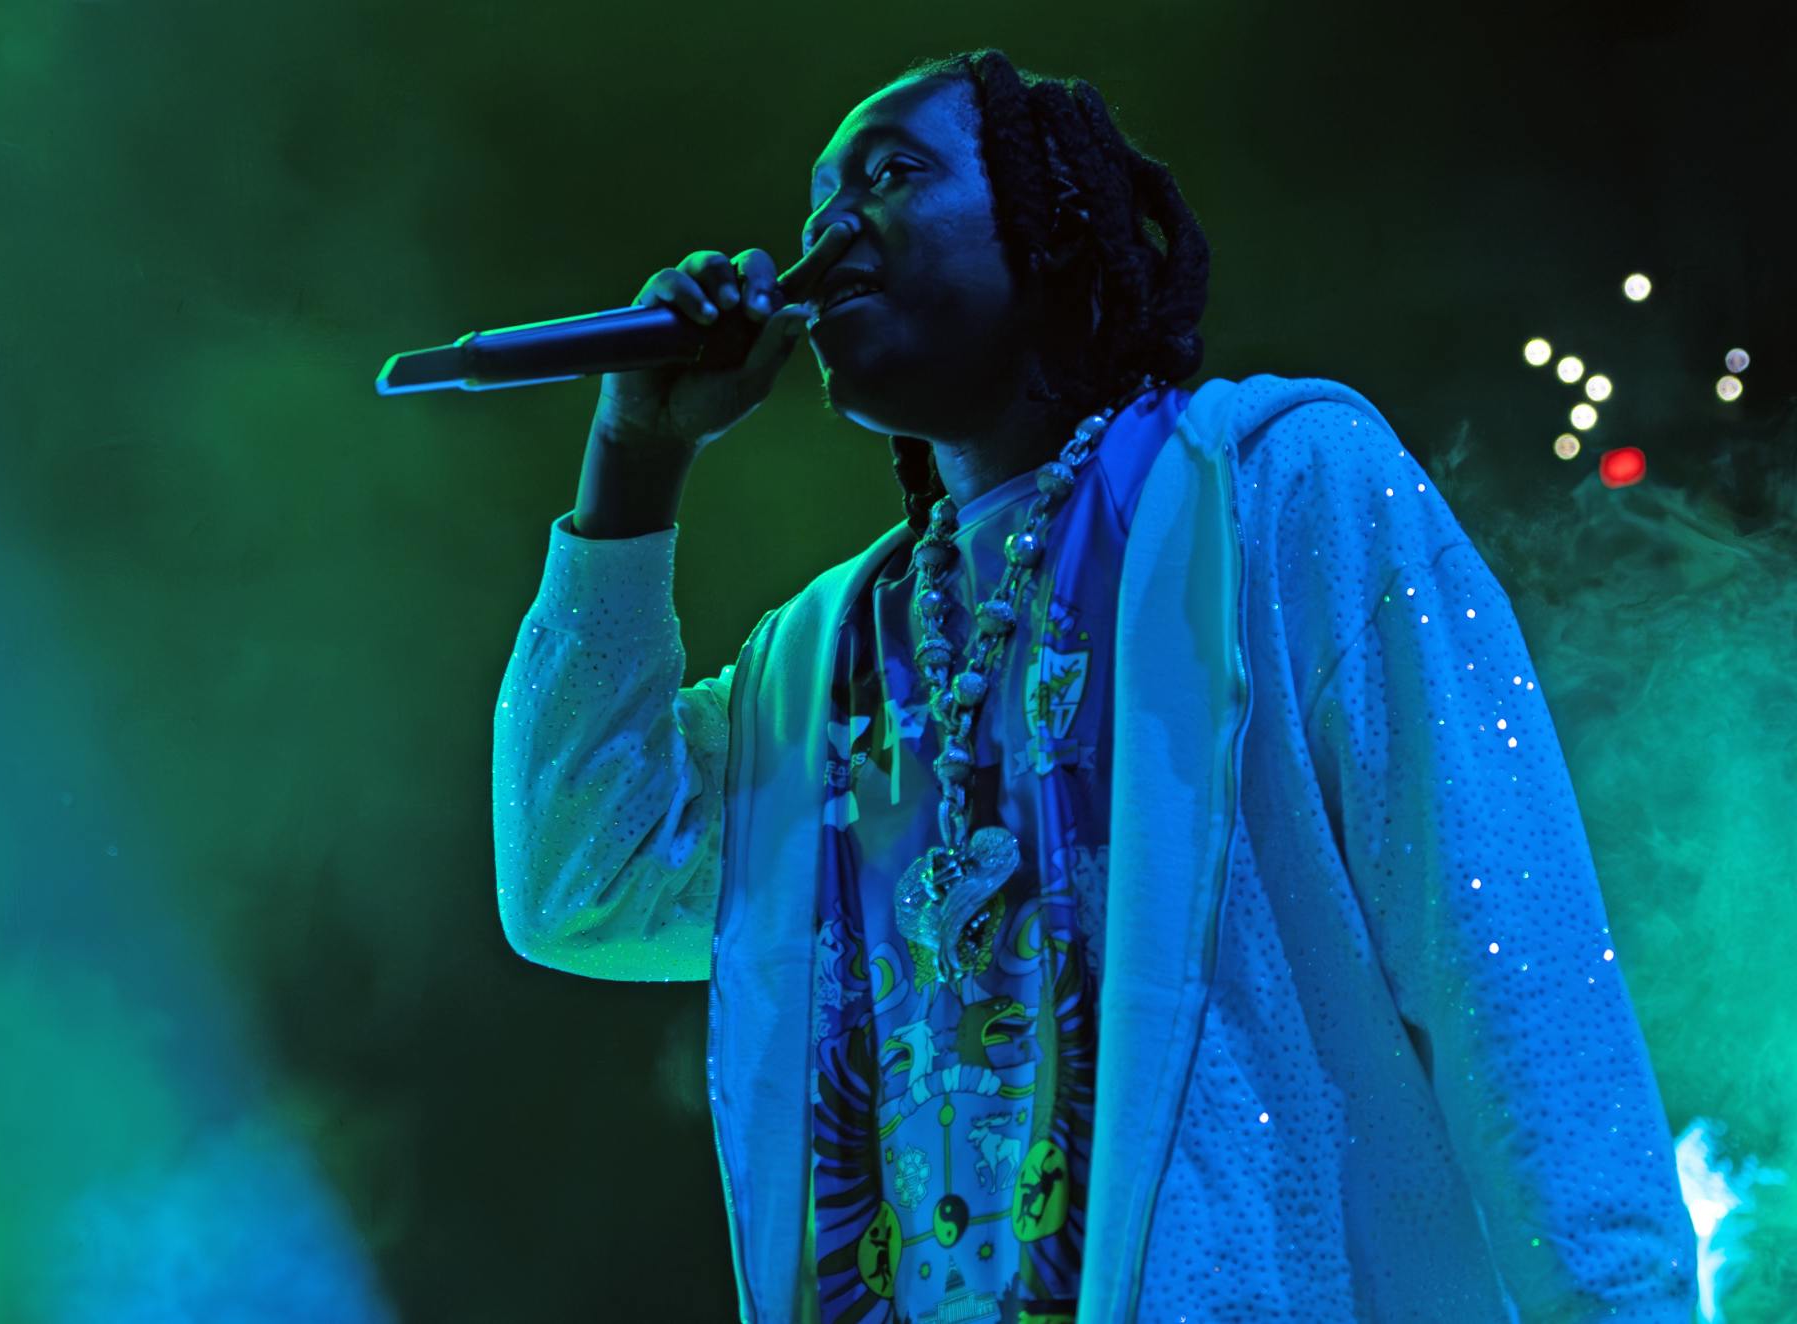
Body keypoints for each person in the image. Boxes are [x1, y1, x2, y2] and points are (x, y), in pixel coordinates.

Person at [491, 47, 1695, 1324]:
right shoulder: (819, 659)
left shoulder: (1273, 489)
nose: (827, 232)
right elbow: (582, 880)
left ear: (1049, 219)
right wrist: (633, 457)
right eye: (814, 207)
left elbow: (1510, 967)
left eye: (889, 175)